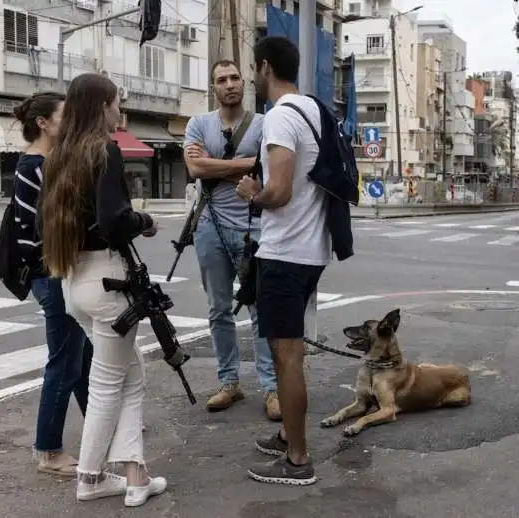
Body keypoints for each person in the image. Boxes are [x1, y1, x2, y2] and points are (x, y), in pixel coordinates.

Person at [40, 72, 166, 507]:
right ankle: (91, 478)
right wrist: (145, 222)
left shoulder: (60, 156)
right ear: (101, 107)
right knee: (109, 385)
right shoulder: (104, 151)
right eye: (116, 102)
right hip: (109, 282)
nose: (120, 110)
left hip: (74, 281)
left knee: (131, 377)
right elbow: (114, 220)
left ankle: (135, 475)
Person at [236, 36, 328, 486]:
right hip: (310, 250)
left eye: (254, 69)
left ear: (266, 68)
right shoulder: (311, 110)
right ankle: (290, 436)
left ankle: (297, 458)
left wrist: (253, 194)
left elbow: (281, 191)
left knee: (287, 358)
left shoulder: (278, 119)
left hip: (285, 253)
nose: (254, 77)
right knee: (286, 352)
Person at [183, 60, 280, 420]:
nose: (229, 84)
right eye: (221, 79)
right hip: (208, 224)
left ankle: (271, 387)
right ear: (214, 87)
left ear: (244, 82)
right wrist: (244, 164)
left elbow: (268, 166)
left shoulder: (263, 123)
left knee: (260, 309)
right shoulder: (198, 123)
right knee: (218, 308)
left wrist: (215, 164)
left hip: (253, 226)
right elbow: (194, 169)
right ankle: (229, 382)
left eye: (235, 78)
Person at [12, 92, 93, 477]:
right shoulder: (33, 167)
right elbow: (27, 235)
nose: (71, 122)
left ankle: (99, 426)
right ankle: (48, 451)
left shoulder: (49, 162)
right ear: (43, 122)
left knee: (82, 355)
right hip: (51, 273)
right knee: (64, 362)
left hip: (60, 270)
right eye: (65, 116)